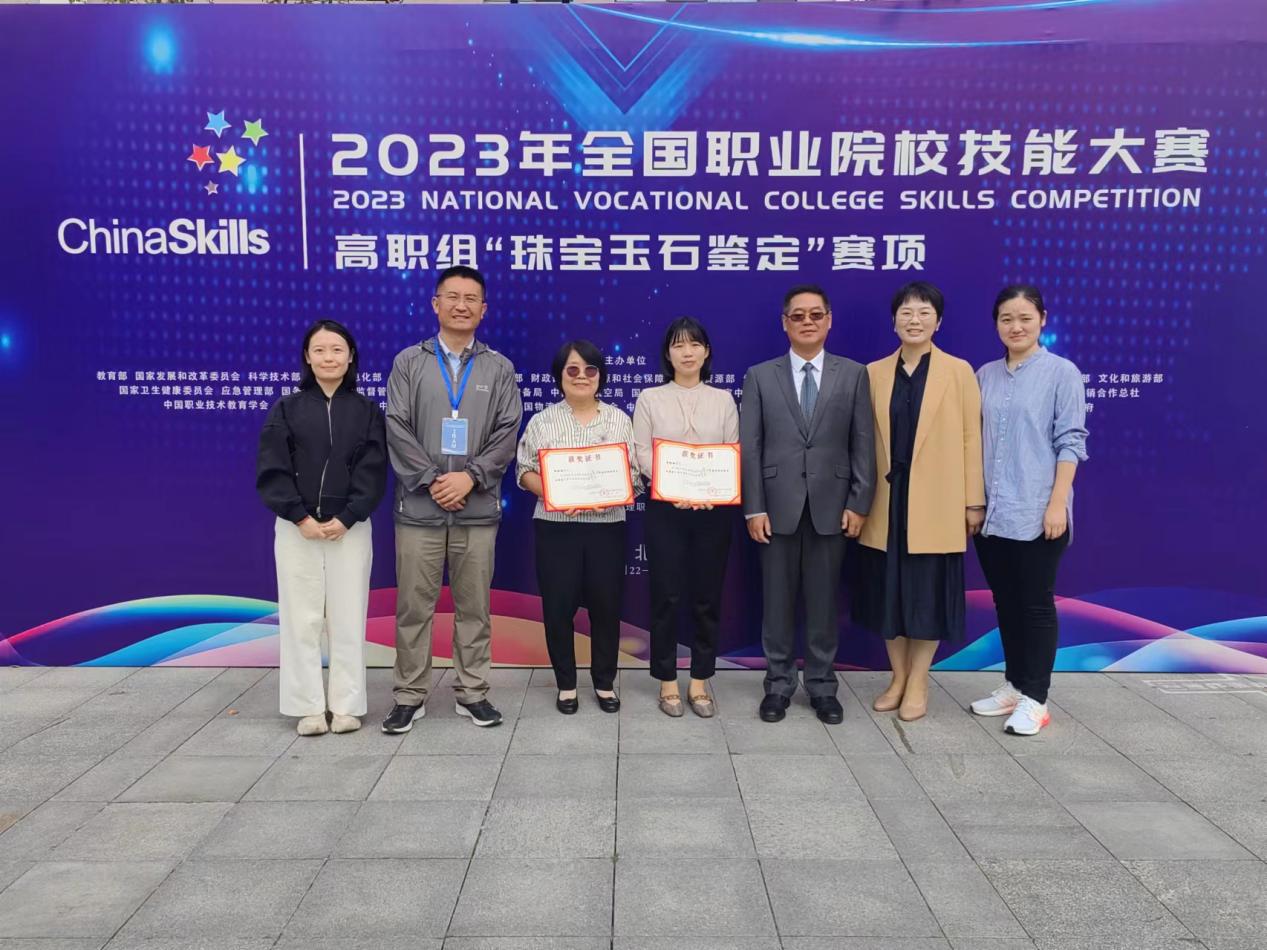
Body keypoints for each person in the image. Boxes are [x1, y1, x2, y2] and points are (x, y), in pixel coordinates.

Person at [382, 265, 523, 734]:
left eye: (471, 299)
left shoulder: (499, 368)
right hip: (419, 510)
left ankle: (473, 692)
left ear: (484, 310)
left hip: (476, 509)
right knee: (413, 608)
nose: (461, 305)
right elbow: (396, 426)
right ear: (435, 303)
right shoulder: (409, 362)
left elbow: (508, 431)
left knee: (474, 608)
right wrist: (431, 480)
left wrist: (470, 478)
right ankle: (409, 695)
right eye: (452, 296)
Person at [739, 284, 876, 725]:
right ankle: (778, 686)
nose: (807, 322)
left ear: (829, 320)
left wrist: (859, 502)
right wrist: (754, 507)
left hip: (832, 508)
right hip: (775, 508)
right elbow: (751, 446)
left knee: (823, 605)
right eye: (797, 315)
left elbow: (863, 442)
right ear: (785, 323)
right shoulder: (760, 376)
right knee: (776, 605)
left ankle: (821, 686)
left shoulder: (853, 374)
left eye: (816, 314)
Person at [852, 282, 986, 722]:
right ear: (893, 321)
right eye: (906, 312)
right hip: (886, 502)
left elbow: (971, 438)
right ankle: (897, 677)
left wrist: (973, 501)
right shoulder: (873, 373)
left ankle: (919, 681)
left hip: (937, 502)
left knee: (926, 594)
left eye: (924, 312)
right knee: (888, 593)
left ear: (938, 321)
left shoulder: (958, 372)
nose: (914, 320)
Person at [256, 320, 387, 736]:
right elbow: (272, 469)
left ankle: (347, 705)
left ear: (350, 357)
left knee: (349, 617)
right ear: (307, 358)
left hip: (350, 529)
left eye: (337, 350)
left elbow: (374, 469)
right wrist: (299, 516)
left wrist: (348, 516)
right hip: (298, 530)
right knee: (301, 618)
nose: (329, 358)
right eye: (319, 350)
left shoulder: (367, 411)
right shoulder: (286, 409)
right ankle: (308, 707)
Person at [970, 284, 1088, 736]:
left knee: (1036, 604)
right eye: (1006, 319)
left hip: (1039, 511)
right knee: (1006, 601)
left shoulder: (1062, 373)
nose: (1015, 327)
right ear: (996, 324)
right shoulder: (985, 375)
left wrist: (1057, 503)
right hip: (993, 514)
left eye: (1024, 318)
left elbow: (1071, 441)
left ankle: (1036, 698)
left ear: (1042, 319)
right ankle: (1015, 684)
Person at [517, 340, 641, 715]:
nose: (582, 377)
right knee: (558, 608)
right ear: (560, 376)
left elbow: (634, 475)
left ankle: (604, 683)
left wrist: (611, 495)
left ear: (600, 376)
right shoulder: (542, 421)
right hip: (556, 527)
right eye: (572, 370)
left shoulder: (619, 420)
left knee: (606, 607)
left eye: (590, 370)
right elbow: (524, 471)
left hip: (606, 526)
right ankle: (566, 685)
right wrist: (555, 493)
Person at [633, 317, 739, 718]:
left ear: (706, 352)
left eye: (695, 344)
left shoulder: (723, 400)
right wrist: (672, 487)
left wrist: (710, 491)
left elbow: (731, 449)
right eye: (679, 345)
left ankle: (699, 680)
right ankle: (666, 681)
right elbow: (641, 451)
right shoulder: (650, 398)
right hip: (666, 510)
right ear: (668, 354)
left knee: (706, 596)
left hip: (713, 510)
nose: (687, 352)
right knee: (666, 595)